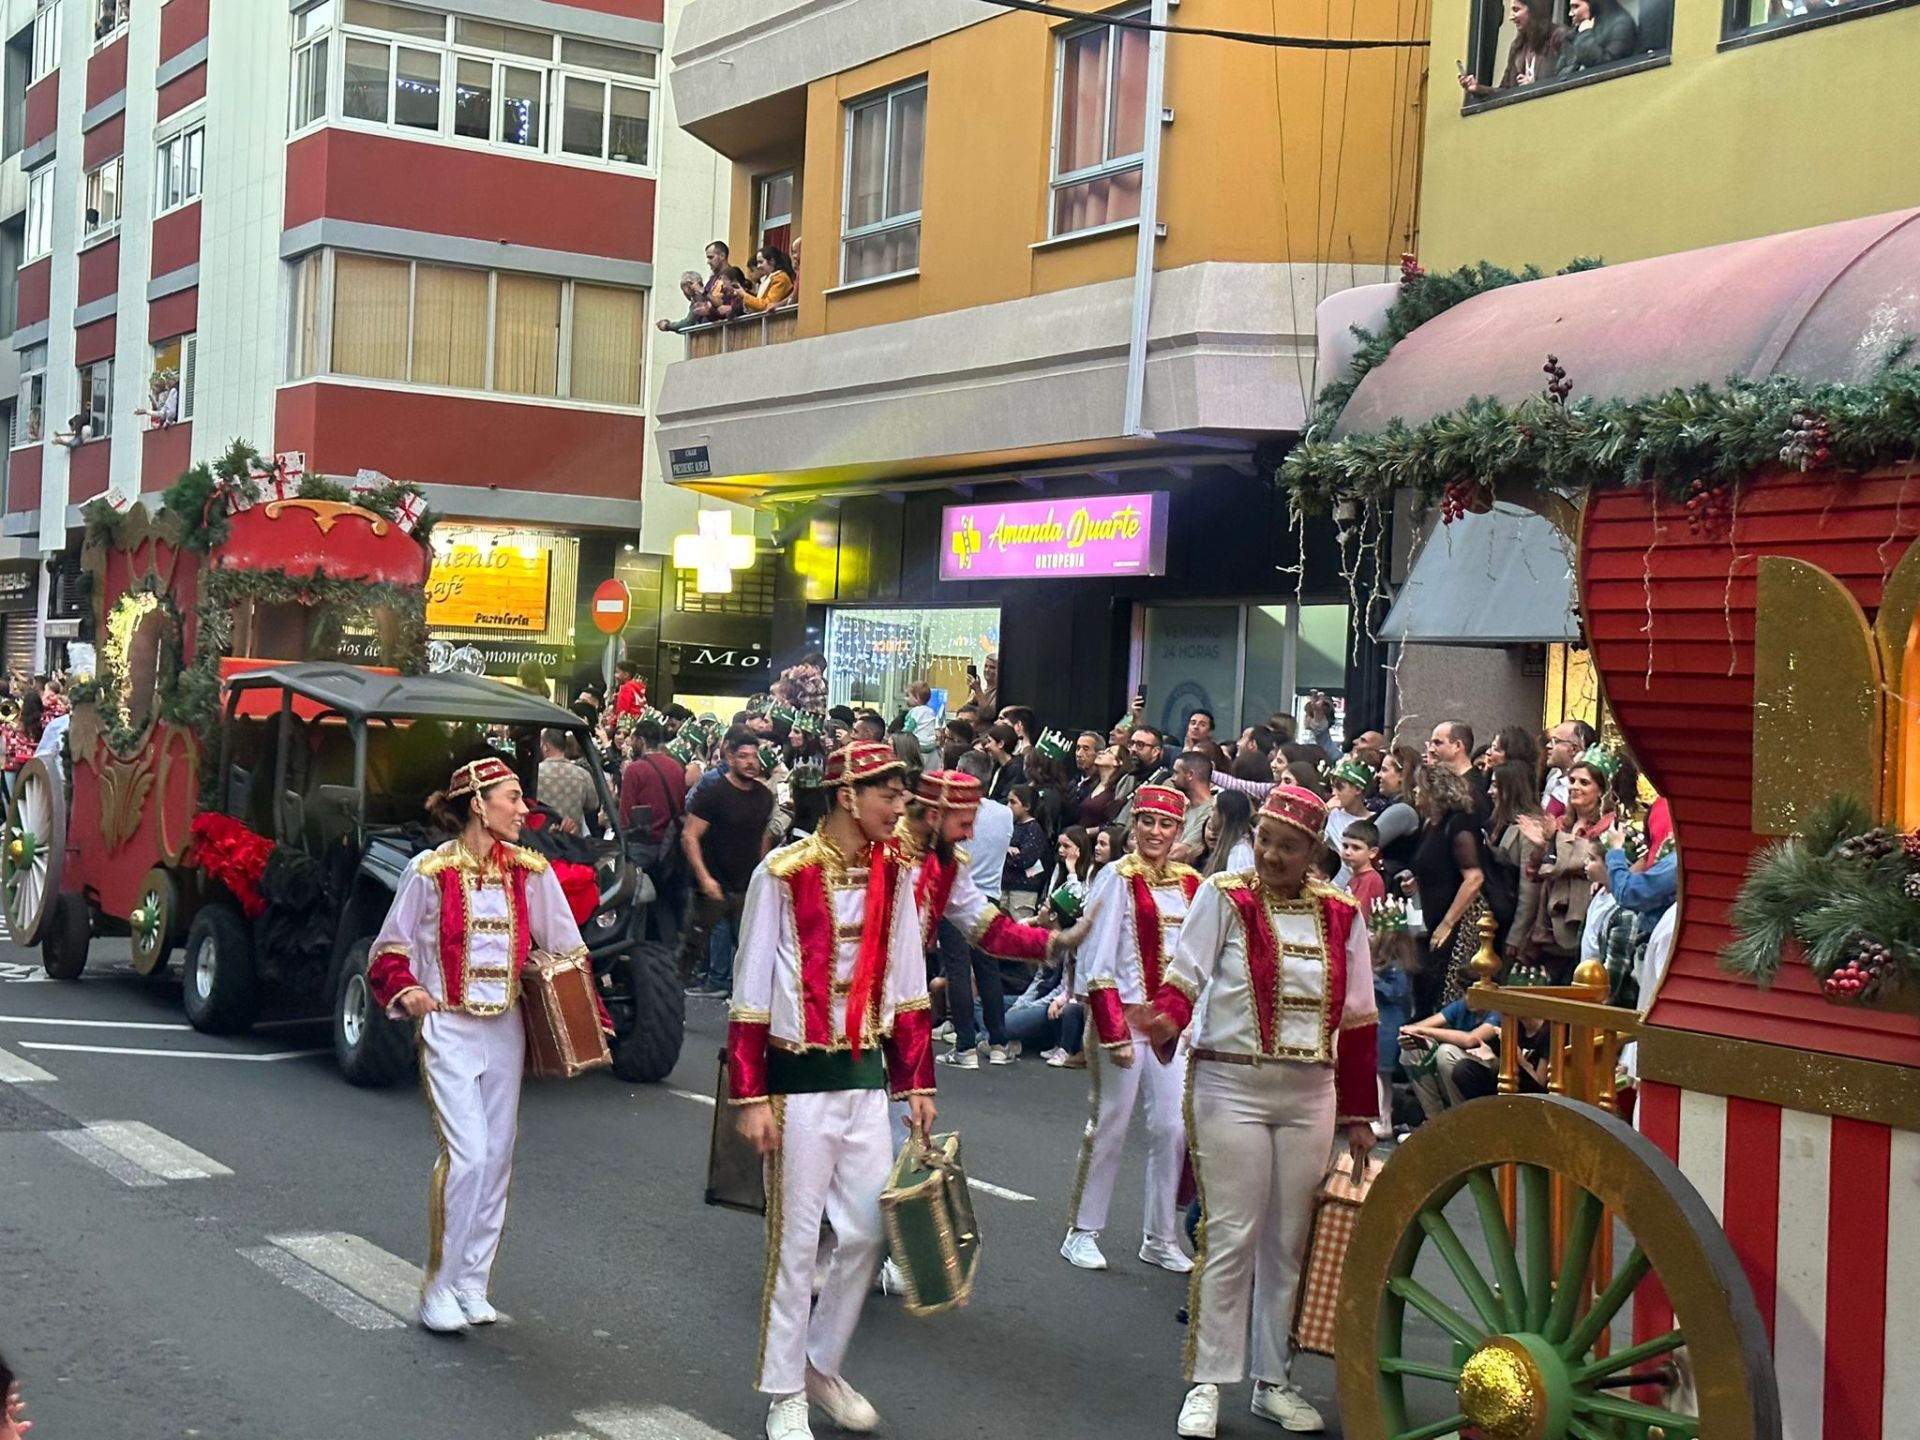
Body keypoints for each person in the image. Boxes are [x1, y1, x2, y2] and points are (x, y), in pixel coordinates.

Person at [1130, 785, 1377, 1439]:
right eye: (1265, 840)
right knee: (1232, 1234)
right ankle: (1207, 1382)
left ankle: (1274, 1380)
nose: (1270, 855)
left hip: (1310, 1096)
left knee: (1289, 1240)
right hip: (1229, 1084)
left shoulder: (1344, 914)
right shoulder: (1224, 897)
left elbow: (1357, 1019)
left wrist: (1359, 1114)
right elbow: (1186, 977)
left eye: (1287, 847)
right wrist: (1160, 1022)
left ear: (1313, 851)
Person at [726, 742, 936, 1440]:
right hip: (797, 1084)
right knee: (794, 1245)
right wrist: (752, 1096)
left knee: (870, 1231)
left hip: (865, 1080)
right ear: (848, 794)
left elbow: (906, 979)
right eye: (890, 794)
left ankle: (818, 1364)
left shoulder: (897, 872)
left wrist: (915, 1082)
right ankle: (785, 1391)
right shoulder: (781, 874)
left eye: (903, 795)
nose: (900, 807)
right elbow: (751, 990)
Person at [367, 757, 610, 1332]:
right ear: (479, 803)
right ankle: (439, 1286)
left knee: (497, 1156)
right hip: (449, 1027)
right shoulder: (429, 872)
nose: (525, 810)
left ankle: (474, 1282)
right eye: (513, 797)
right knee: (468, 1155)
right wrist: (408, 991)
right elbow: (389, 950)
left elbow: (569, 951)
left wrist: (585, 1015)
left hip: (506, 1028)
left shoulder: (531, 870)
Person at [1060, 783, 1200, 1274]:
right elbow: (1097, 958)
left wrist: (1189, 1022)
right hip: (1119, 1018)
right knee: (1111, 1123)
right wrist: (1112, 1028)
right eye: (1147, 822)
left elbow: (1194, 961)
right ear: (1133, 824)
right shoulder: (1115, 878)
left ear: (1180, 829)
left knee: (1172, 1127)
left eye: (1166, 825)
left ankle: (1159, 1236)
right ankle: (1082, 1230)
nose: (1155, 832)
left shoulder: (1189, 882)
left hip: (1167, 1025)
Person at [935, 752, 1022, 1066]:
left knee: (958, 969)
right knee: (988, 970)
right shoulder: (1004, 814)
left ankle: (965, 1046)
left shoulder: (952, 812)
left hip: (957, 898)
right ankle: (998, 1042)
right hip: (990, 897)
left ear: (959, 774)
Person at [681, 727, 775, 999]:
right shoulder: (713, 792)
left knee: (746, 940)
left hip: (747, 884)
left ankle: (740, 989)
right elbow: (690, 836)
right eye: (743, 756)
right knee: (703, 938)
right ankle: (706, 983)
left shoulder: (764, 797)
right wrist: (704, 877)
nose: (750, 762)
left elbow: (763, 837)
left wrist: (763, 874)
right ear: (730, 759)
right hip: (714, 881)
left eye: (754, 757)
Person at [1403, 764, 1490, 1013]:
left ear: (1435, 791)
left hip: (1454, 922)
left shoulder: (1459, 824)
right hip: (1429, 916)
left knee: (1444, 994)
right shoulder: (1430, 823)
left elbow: (1474, 877)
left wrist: (1447, 923)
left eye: (1420, 787)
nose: (1416, 792)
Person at [1485, 759, 1546, 958]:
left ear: (1511, 789)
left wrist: (1516, 935)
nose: (1490, 792)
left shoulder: (1530, 829)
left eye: (1495, 785)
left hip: (1511, 925)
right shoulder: (1503, 823)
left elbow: (1529, 888)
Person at [1460, 0, 1568, 95]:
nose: (1511, 17)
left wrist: (1535, 86)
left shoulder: (1559, 36)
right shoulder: (1518, 47)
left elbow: (1567, 79)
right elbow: (1505, 91)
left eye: (1516, 10)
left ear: (1533, 10)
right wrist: (1478, 89)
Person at [1425, 719, 1490, 821]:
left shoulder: (1473, 790)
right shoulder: (1454, 784)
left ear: (1457, 746)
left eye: (1438, 743)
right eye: (1431, 744)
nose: (1431, 750)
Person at [536, 727, 596, 836]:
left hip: (541, 839)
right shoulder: (582, 774)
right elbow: (593, 805)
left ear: (545, 747)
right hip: (573, 840)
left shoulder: (535, 773)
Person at [1554, 0, 1638, 77]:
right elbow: (1559, 75)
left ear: (1592, 4)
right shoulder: (1572, 36)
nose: (1570, 13)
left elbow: (1608, 67)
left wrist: (1584, 34)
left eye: (1576, 7)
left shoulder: (1621, 25)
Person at [1003, 784, 1049, 911]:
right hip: (1005, 884)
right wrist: (1007, 850)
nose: (1008, 806)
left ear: (1027, 806)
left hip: (1023, 889)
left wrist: (1007, 854)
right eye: (1008, 801)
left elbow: (1025, 860)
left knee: (1020, 923)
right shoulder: (1012, 825)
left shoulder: (1033, 829)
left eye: (1013, 802)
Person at [1541, 718, 1597, 818]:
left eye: (1555, 741)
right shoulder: (1553, 775)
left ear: (1573, 749)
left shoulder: (1584, 790)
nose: (1548, 746)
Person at [1169, 750, 1217, 865]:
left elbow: (1179, 853)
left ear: (1190, 775)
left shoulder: (1211, 811)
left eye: (1176, 773)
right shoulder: (1184, 808)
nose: (1172, 778)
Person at [1324, 757, 1375, 859]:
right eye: (1332, 787)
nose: (1334, 793)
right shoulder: (1331, 813)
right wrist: (1323, 813)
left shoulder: (1374, 820)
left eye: (1339, 787)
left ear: (1358, 789)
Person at [1341, 818, 1386, 917]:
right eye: (1345, 846)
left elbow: (1359, 915)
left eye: (1356, 848)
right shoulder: (1354, 878)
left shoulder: (1370, 879)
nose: (1347, 852)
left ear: (1373, 852)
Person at [1204, 790, 1256, 875]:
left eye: (1213, 810)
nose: (1210, 815)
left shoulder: (1239, 854)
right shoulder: (1229, 848)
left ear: (1224, 816)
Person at [1077, 742, 1127, 829]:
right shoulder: (1091, 783)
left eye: (1109, 752)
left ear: (1118, 762)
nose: (1101, 753)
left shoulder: (1116, 790)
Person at [980, 722, 1024, 802]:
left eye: (989, 741)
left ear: (1000, 744)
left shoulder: (1016, 769)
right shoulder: (997, 765)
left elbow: (1006, 798)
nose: (986, 746)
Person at [901, 681, 939, 749]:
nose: (906, 699)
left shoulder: (914, 712)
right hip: (931, 744)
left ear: (917, 698)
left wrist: (899, 737)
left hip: (919, 744)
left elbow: (908, 728)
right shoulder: (931, 711)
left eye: (908, 696)